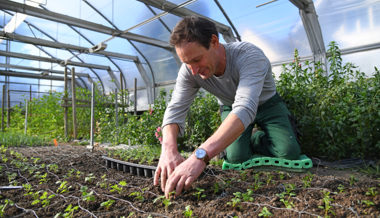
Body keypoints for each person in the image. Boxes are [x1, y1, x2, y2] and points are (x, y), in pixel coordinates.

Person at [153, 16, 301, 198]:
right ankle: (248, 138)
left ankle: (258, 137)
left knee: (289, 152)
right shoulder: (190, 71)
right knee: (236, 157)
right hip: (231, 107)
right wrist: (168, 149)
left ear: (214, 41)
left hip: (267, 104)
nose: (193, 70)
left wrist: (200, 156)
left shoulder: (249, 56)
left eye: (197, 60)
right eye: (187, 63)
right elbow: (175, 108)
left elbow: (246, 107)